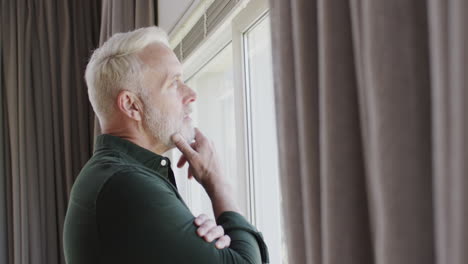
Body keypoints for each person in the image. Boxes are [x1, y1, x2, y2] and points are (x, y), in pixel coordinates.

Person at [63, 26, 269, 264]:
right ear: (131, 105)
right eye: (173, 83)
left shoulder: (114, 177)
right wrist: (218, 184)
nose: (191, 94)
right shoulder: (127, 185)